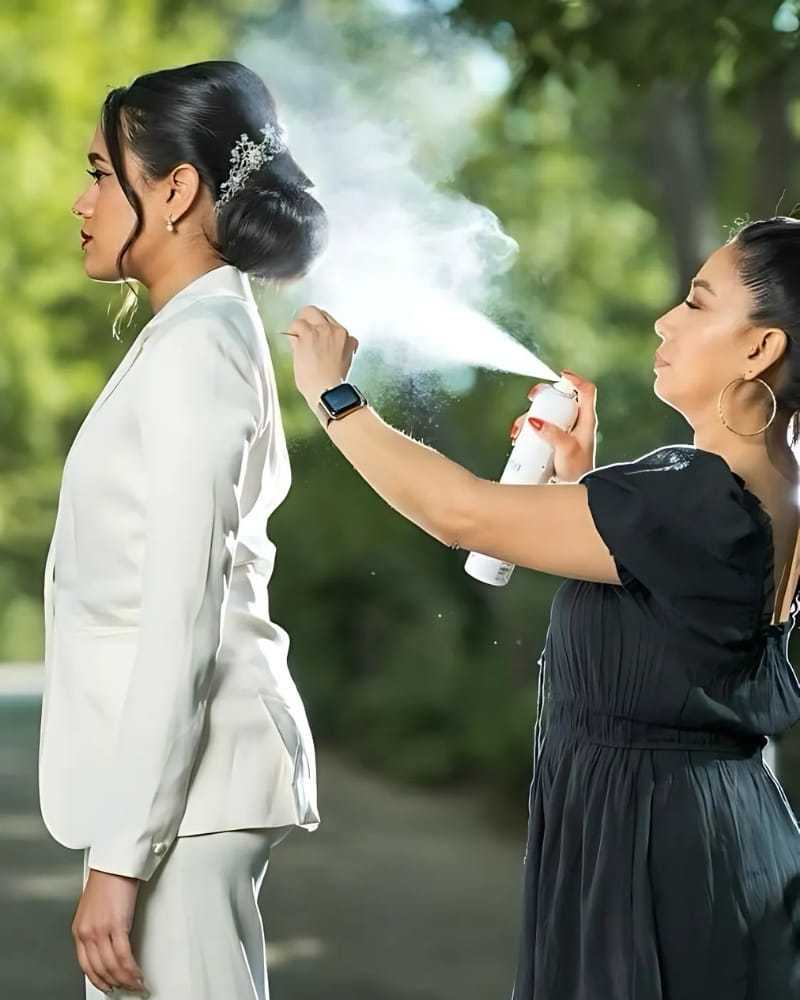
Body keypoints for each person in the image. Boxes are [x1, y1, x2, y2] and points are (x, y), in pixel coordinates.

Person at [284, 216, 800, 998]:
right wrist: (580, 482)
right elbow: (674, 622)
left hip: (654, 857)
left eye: (698, 303)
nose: (666, 321)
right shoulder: (763, 487)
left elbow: (462, 513)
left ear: (761, 348)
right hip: (710, 840)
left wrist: (335, 397)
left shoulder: (693, 499)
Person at [40, 60, 327, 999]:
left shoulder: (199, 347)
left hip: (189, 810)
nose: (81, 200)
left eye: (100, 172)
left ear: (175, 191)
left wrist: (121, 857)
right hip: (182, 802)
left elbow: (181, 616)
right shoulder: (191, 332)